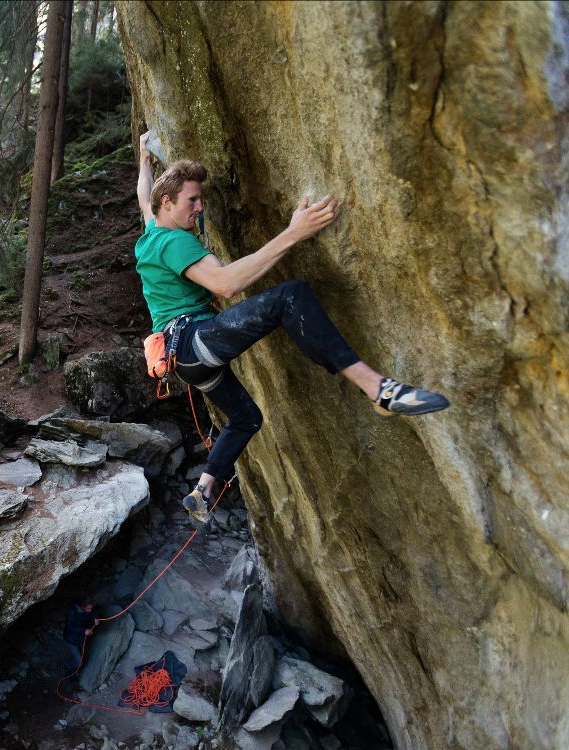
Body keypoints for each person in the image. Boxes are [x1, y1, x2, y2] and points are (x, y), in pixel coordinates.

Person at [135, 131, 448, 525]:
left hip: (184, 364)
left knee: (247, 417)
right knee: (289, 296)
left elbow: (143, 195)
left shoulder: (151, 234)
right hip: (198, 342)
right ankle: (378, 389)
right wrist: (294, 233)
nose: (199, 208)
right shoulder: (176, 243)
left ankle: (204, 488)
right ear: (169, 203)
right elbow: (227, 284)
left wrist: (145, 158)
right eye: (192, 201)